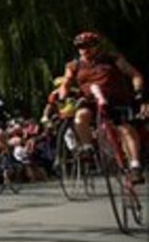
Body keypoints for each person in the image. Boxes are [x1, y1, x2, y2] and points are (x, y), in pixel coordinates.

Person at [57, 32, 147, 183]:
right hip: (91, 100)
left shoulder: (112, 58)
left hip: (115, 99)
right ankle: (87, 148)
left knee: (126, 130)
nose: (84, 49)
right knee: (81, 116)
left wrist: (139, 94)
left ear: (97, 46)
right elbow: (65, 83)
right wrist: (62, 97)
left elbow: (135, 75)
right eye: (80, 47)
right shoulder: (74, 65)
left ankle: (135, 166)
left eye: (88, 46)